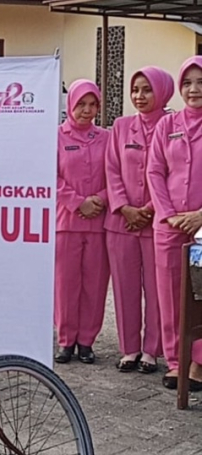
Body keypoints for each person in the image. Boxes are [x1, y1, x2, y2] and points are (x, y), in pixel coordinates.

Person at [105, 67, 174, 374]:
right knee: (124, 287)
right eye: (135, 90)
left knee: (158, 289)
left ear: (162, 91)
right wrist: (124, 207)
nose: (140, 96)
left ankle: (152, 350)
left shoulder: (173, 126)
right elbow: (111, 169)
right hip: (121, 222)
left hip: (157, 221)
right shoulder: (121, 126)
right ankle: (129, 348)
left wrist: (148, 209)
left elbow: (172, 172)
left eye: (147, 89)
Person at [148, 56, 202, 391]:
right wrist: (168, 214)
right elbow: (155, 171)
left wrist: (200, 215)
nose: (194, 89)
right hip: (169, 226)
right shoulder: (167, 126)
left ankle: (198, 362)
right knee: (170, 297)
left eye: (201, 82)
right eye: (187, 83)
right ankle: (175, 361)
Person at [54, 80, 110, 365]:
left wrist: (100, 199)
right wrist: (78, 202)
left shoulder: (107, 138)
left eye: (92, 105)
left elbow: (117, 174)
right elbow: (50, 176)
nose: (87, 110)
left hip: (99, 222)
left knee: (95, 284)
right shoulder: (56, 136)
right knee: (66, 285)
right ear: (70, 105)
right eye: (81, 104)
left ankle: (87, 341)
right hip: (66, 222)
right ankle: (66, 340)